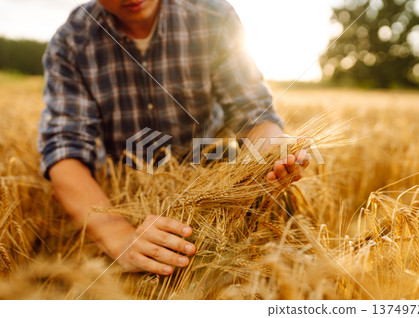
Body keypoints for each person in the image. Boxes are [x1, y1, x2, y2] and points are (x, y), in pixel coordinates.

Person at [37, 0, 310, 276]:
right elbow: (64, 151)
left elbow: (255, 115)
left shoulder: (212, 15)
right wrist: (120, 237)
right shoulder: (72, 40)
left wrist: (273, 154)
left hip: (216, 199)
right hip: (125, 202)